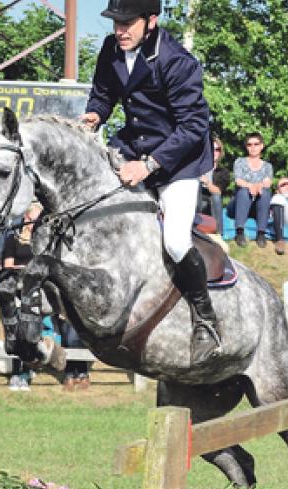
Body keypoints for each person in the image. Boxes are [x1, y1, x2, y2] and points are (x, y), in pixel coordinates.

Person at [83, 0, 219, 364]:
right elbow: (103, 91)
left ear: (151, 21)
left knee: (174, 241)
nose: (120, 30)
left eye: (128, 22)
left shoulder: (176, 61)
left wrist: (148, 166)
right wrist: (96, 114)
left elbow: (193, 127)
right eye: (116, 22)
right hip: (134, 146)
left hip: (178, 161)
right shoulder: (112, 47)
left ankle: (206, 319)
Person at [1, 202, 43, 391]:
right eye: (33, 219)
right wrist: (28, 269)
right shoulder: (13, 239)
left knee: (32, 334)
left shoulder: (43, 241)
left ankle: (26, 373)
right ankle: (16, 373)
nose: (35, 223)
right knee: (17, 334)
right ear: (25, 218)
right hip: (17, 289)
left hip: (36, 292)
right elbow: (8, 265)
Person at [229, 132, 272, 247]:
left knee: (265, 193)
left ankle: (261, 233)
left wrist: (259, 186)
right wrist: (250, 186)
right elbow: (238, 180)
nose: (253, 147)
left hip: (256, 206)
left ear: (262, 146)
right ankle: (239, 232)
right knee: (243, 190)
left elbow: (268, 183)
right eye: (249, 144)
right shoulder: (240, 162)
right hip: (239, 204)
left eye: (256, 144)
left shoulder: (267, 166)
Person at [198, 137, 230, 237]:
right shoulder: (198, 167)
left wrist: (207, 183)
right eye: (212, 149)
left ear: (221, 152)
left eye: (217, 149)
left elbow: (218, 191)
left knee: (216, 196)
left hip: (212, 202)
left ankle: (219, 233)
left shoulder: (223, 172)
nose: (214, 152)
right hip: (198, 200)